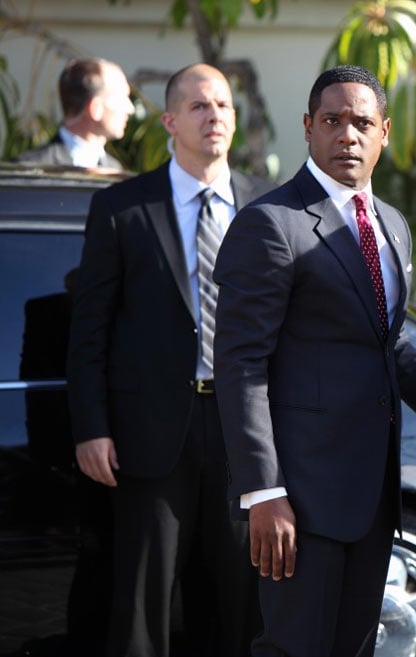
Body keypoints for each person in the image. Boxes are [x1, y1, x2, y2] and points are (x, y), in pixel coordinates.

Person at [211, 64, 416, 657]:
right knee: (293, 648)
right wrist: (263, 492)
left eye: (361, 123)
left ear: (385, 133)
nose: (346, 135)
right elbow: (241, 364)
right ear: (307, 128)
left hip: (373, 497)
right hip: (298, 498)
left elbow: (387, 340)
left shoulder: (392, 226)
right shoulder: (270, 224)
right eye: (332, 121)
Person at [66, 63, 276, 657]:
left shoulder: (267, 205)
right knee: (143, 605)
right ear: (169, 121)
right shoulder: (122, 207)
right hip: (150, 434)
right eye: (199, 106)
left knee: (238, 600)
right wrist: (92, 427)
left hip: (244, 434)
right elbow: (89, 331)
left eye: (224, 107)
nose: (214, 117)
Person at [15, 58, 133, 169]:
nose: (130, 109)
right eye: (122, 98)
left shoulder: (114, 169)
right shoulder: (30, 169)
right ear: (95, 108)